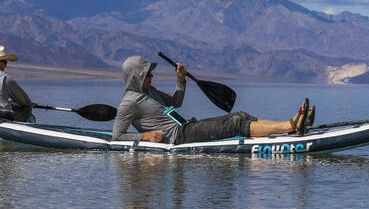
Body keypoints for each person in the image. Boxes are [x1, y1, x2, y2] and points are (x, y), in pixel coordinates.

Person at [111, 55, 314, 144]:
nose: (152, 76)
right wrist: (144, 137)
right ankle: (291, 126)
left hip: (187, 128)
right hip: (178, 138)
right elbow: (117, 137)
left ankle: (291, 124)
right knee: (234, 123)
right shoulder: (128, 102)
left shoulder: (150, 91)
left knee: (239, 115)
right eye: (147, 73)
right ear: (136, 77)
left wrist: (180, 81)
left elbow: (176, 102)